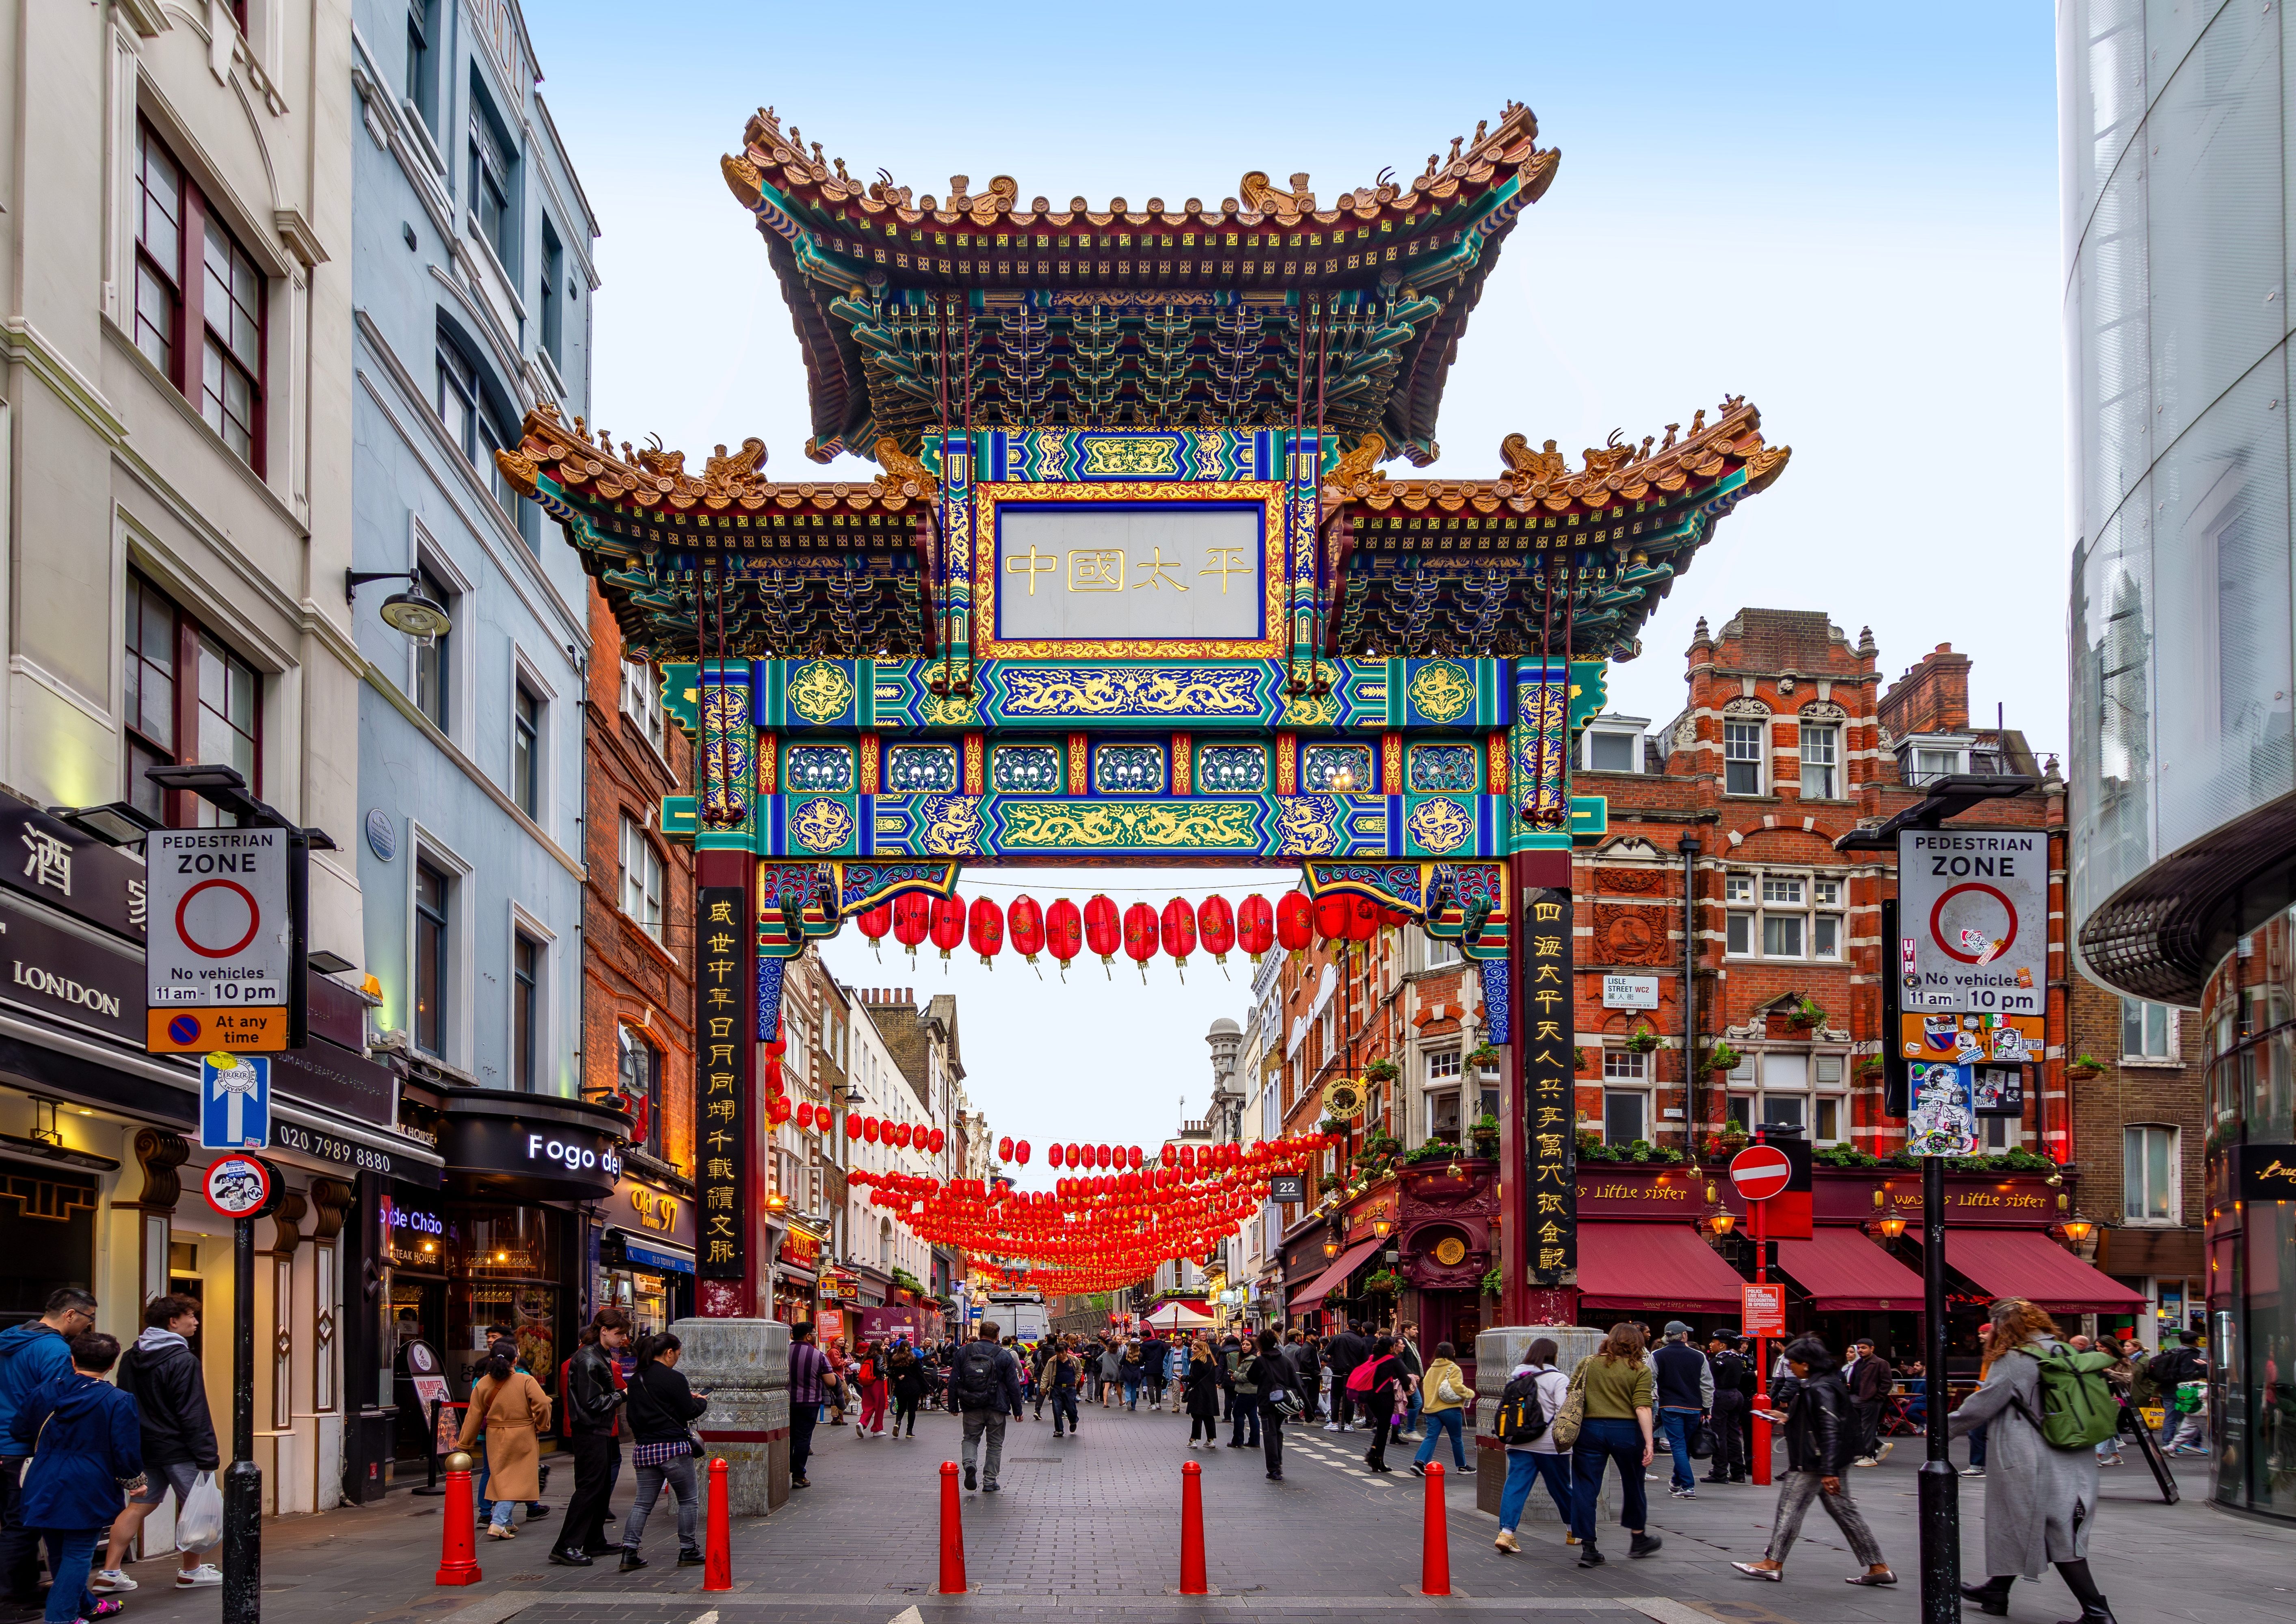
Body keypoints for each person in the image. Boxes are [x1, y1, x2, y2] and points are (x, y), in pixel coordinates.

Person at [1949, 1297, 2116, 1624]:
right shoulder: (2066, 1351)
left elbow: (1983, 1405)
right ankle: (1996, 1591)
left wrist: (1943, 1430)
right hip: (2075, 1453)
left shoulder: (2015, 1358)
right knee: (2030, 1525)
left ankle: (2097, 1612)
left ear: (2003, 1326)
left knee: (2057, 1531)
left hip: (2030, 1458)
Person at [1730, 1335, 1894, 1587]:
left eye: (1792, 1363)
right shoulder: (1823, 1383)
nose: (1790, 1367)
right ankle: (1878, 1567)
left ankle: (1773, 1564)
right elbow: (1819, 1421)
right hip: (1826, 1460)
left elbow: (1829, 1429)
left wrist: (1829, 1470)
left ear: (1806, 1364)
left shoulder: (1820, 1388)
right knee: (1844, 1512)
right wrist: (1786, 1418)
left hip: (1814, 1461)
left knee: (1790, 1509)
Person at [95, 1294, 219, 1591]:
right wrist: (207, 1455)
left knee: (139, 1505)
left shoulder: (131, 1356)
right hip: (179, 1448)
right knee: (195, 1508)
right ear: (173, 1321)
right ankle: (191, 1571)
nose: (196, 1322)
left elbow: (126, 1403)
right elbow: (193, 1411)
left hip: (144, 1446)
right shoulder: (183, 1360)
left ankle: (110, 1573)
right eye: (191, 1316)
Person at [11, 1332, 137, 1624]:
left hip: (44, 1477)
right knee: (79, 1553)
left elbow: (19, 1430)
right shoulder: (118, 1400)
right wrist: (134, 1481)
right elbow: (125, 1448)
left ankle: (86, 1606)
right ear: (112, 1364)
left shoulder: (44, 1392)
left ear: (72, 1360)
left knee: (58, 1552)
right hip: (90, 1480)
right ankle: (61, 1618)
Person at [0, 1287, 97, 1607]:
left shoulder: (9, 1338)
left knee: (13, 1523)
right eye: (88, 1318)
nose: (89, 1325)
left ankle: (22, 1588)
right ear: (70, 1314)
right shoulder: (55, 1350)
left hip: (5, 1445)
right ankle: (14, 1598)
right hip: (23, 1448)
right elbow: (55, 1405)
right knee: (22, 1525)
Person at [1567, 1322, 1663, 1568]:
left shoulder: (1589, 1363)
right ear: (1637, 1343)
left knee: (1585, 1487)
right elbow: (1643, 1406)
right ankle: (1638, 1538)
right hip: (1627, 1432)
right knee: (1634, 1484)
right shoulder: (1640, 1369)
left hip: (1589, 1430)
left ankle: (1589, 1548)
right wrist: (1649, 1442)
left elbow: (1571, 1391)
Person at [617, 1332, 708, 1572]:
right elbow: (689, 1411)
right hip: (673, 1448)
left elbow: (633, 1416)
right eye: (678, 1353)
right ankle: (688, 1550)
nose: (678, 1358)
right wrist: (702, 1402)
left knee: (642, 1504)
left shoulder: (637, 1379)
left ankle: (629, 1552)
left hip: (644, 1450)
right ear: (669, 1353)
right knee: (688, 1500)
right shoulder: (675, 1378)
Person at [453, 1337, 553, 1543]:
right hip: (522, 1434)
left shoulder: (483, 1383)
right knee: (518, 1481)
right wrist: (542, 1425)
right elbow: (543, 1403)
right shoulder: (525, 1380)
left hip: (495, 1435)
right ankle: (499, 1523)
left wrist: (465, 1445)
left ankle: (507, 1522)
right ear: (515, 1360)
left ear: (491, 1359)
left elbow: (474, 1415)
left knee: (501, 1478)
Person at [552, 1308, 629, 1568]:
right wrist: (623, 1395)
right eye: (619, 1333)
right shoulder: (588, 1359)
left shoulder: (599, 1355)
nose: (623, 1339)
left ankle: (594, 1540)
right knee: (589, 1488)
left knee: (600, 1487)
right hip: (590, 1430)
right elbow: (593, 1402)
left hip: (599, 1429)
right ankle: (566, 1545)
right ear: (604, 1331)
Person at [1494, 1338, 1573, 1554]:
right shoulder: (1558, 1379)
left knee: (1515, 1487)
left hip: (1519, 1442)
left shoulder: (1517, 1377)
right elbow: (1564, 1412)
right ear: (1554, 1355)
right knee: (1561, 1488)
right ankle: (1573, 1530)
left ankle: (1506, 1534)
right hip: (1550, 1446)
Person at [950, 1321, 1023, 1493]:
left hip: (971, 1404)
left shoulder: (964, 1352)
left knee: (970, 1438)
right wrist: (1018, 1410)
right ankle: (990, 1481)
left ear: (979, 1333)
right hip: (997, 1406)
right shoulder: (1004, 1355)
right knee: (995, 1444)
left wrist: (953, 1405)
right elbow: (1013, 1386)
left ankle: (970, 1463)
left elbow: (954, 1380)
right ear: (997, 1336)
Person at [1650, 1321, 1713, 1499]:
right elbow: (1707, 1385)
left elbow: (1648, 1380)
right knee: (1684, 1446)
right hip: (1694, 1407)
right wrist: (1707, 1408)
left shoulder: (1657, 1355)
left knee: (1678, 1446)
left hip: (1670, 1406)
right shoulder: (1699, 1356)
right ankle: (1680, 1483)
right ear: (1684, 1335)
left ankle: (1685, 1485)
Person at [1410, 1341, 1471, 1476]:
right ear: (1452, 1353)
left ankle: (1419, 1463)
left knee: (1431, 1437)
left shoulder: (1431, 1370)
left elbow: (1426, 1388)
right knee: (1456, 1439)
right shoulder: (1454, 1368)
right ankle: (1462, 1467)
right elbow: (1458, 1387)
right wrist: (1469, 1394)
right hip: (1450, 1409)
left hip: (1431, 1410)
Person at [2148, 1331, 2209, 1456]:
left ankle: (2168, 1443)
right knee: (2196, 1416)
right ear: (2195, 1341)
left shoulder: (2173, 1351)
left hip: (2167, 1389)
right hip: (2185, 1391)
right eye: (2198, 1340)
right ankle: (2193, 1443)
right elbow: (2187, 1373)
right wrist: (2203, 1370)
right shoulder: (2191, 1354)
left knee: (2171, 1417)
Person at [787, 1323, 830, 1489]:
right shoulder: (818, 1355)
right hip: (809, 1403)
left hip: (785, 1403)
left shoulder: (783, 1353)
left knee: (788, 1437)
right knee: (803, 1438)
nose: (816, 1336)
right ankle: (799, 1476)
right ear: (808, 1336)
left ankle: (783, 1472)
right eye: (814, 1333)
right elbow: (830, 1381)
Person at [1245, 1330, 1293, 1481]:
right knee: (1277, 1430)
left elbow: (1252, 1378)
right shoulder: (1285, 1360)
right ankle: (1278, 1464)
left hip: (1266, 1401)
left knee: (1269, 1433)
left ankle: (1274, 1469)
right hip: (1282, 1402)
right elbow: (1293, 1380)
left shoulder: (1260, 1361)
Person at [1360, 1335, 1410, 1473]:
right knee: (1384, 1429)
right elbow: (1405, 1379)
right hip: (1385, 1397)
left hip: (1370, 1397)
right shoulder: (1393, 1360)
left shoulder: (1372, 1358)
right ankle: (1378, 1460)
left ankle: (1373, 1455)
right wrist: (1407, 1390)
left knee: (1382, 1426)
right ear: (1391, 1348)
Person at [1706, 1336, 1750, 1486]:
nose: (1711, 1345)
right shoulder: (1737, 1359)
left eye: (1714, 1342)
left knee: (1719, 1435)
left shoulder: (1718, 1361)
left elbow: (1708, 1380)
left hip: (1721, 1396)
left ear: (1722, 1345)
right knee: (1733, 1434)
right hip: (1736, 1395)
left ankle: (1720, 1472)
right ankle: (1738, 1472)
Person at [1845, 1338, 1894, 1465]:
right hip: (1857, 1399)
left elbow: (1887, 1383)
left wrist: (1878, 1397)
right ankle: (1877, 1447)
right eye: (1859, 1348)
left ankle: (1869, 1457)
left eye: (1864, 1348)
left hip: (1870, 1400)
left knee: (1867, 1428)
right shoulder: (1859, 1363)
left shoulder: (1880, 1363)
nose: (1861, 1350)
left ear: (1872, 1349)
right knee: (1855, 1427)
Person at [1323, 1321, 1369, 1432]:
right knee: (1350, 1397)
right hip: (1353, 1372)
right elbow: (1365, 1359)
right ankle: (1348, 1423)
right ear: (1359, 1329)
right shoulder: (1360, 1341)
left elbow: (1328, 1351)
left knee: (1335, 1396)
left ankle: (1334, 1422)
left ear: (1347, 1326)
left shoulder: (1338, 1337)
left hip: (1338, 1370)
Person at [1182, 1336, 1224, 1447]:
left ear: (1202, 1350)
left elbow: (1194, 1378)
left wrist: (1184, 1377)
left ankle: (1193, 1440)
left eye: (1195, 1349)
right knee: (1209, 1417)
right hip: (1211, 1392)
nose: (1192, 1350)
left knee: (1197, 1417)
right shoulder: (1212, 1361)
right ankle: (1211, 1440)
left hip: (1198, 1391)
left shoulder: (1197, 1361)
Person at [1225, 1332, 1260, 1451]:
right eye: (1243, 1344)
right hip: (1251, 1391)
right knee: (1252, 1415)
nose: (1244, 1347)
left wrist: (1235, 1375)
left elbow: (1248, 1377)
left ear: (1253, 1347)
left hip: (1247, 1392)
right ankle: (1254, 1441)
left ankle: (1238, 1440)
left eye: (1248, 1345)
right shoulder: (1248, 1359)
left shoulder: (1251, 1360)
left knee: (1238, 1414)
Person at [889, 1342, 932, 1440]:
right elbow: (920, 1375)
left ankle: (898, 1423)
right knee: (912, 1410)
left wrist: (897, 1377)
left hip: (901, 1386)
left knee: (901, 1408)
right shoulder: (914, 1360)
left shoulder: (895, 1359)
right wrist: (926, 1389)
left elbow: (890, 1371)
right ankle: (909, 1431)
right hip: (913, 1387)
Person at [853, 1340, 889, 1439]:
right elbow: (880, 1369)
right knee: (879, 1405)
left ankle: (862, 1423)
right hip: (877, 1382)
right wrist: (890, 1372)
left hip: (867, 1383)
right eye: (883, 1346)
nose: (884, 1347)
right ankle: (877, 1429)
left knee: (868, 1406)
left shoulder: (867, 1356)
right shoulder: (880, 1357)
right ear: (878, 1347)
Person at [1046, 1340, 1081, 1439]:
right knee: (1057, 1409)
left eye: (1063, 1352)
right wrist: (1043, 1387)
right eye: (1058, 1353)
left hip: (1070, 1388)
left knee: (1071, 1409)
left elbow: (1079, 1370)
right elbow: (1046, 1374)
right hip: (1056, 1388)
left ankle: (1073, 1420)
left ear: (1067, 1351)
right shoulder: (1052, 1361)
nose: (1061, 1355)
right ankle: (1059, 1430)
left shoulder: (1073, 1360)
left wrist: (1076, 1381)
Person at [1395, 1324, 1425, 1439]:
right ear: (1407, 1330)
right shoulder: (1402, 1342)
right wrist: (1410, 1374)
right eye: (1414, 1329)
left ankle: (1398, 1430)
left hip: (1409, 1379)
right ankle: (1410, 1430)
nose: (1417, 1332)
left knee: (1401, 1404)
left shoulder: (1411, 1343)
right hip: (1407, 1380)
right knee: (1416, 1402)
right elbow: (1400, 1361)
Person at [1291, 1333, 1323, 1424]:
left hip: (1312, 1376)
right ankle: (1309, 1419)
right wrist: (1314, 1372)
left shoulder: (1311, 1347)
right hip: (1311, 1377)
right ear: (1309, 1337)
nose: (1317, 1337)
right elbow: (1305, 1361)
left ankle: (1310, 1419)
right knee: (1312, 1398)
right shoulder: (1307, 1347)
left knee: (1313, 1398)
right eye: (1315, 1335)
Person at [1119, 1339, 1144, 1410]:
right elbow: (1142, 1364)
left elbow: (1121, 1363)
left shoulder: (1126, 1354)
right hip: (1136, 1374)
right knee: (1134, 1390)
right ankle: (1133, 1405)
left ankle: (1128, 1401)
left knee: (1128, 1389)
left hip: (1127, 1374)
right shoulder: (1140, 1355)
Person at [1098, 1340, 1122, 1409]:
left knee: (1106, 1386)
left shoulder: (1105, 1353)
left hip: (1106, 1371)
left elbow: (1098, 1360)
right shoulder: (1118, 1354)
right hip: (1115, 1372)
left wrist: (1103, 1366)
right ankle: (1121, 1401)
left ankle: (1105, 1403)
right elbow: (1120, 1363)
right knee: (1118, 1386)